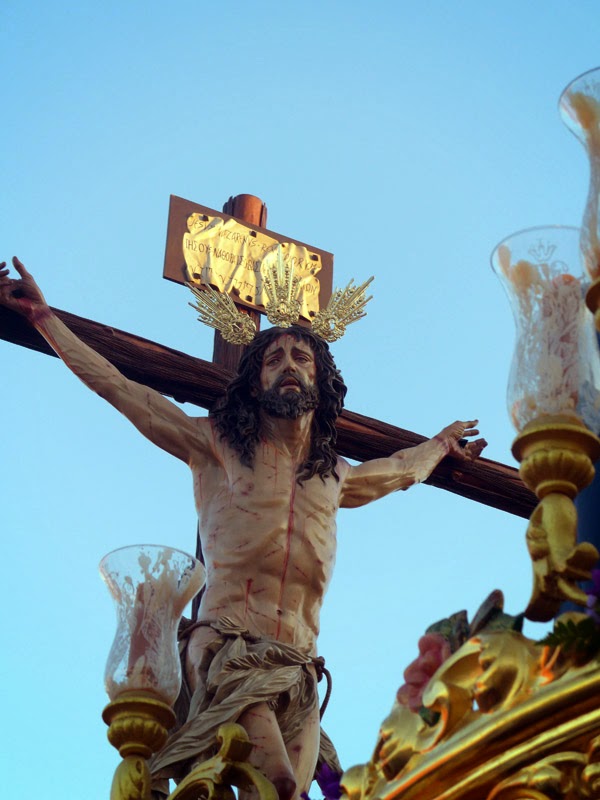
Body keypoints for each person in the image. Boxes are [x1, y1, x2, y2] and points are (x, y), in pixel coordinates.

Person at [0, 257, 486, 800]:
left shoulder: (337, 478)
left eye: (301, 357)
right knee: (273, 784)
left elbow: (400, 472)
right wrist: (45, 319)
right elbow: (118, 387)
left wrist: (441, 447)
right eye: (273, 359)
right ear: (255, 381)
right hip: (228, 650)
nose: (288, 366)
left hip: (300, 670)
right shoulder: (216, 447)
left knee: (290, 793)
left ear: (320, 381)